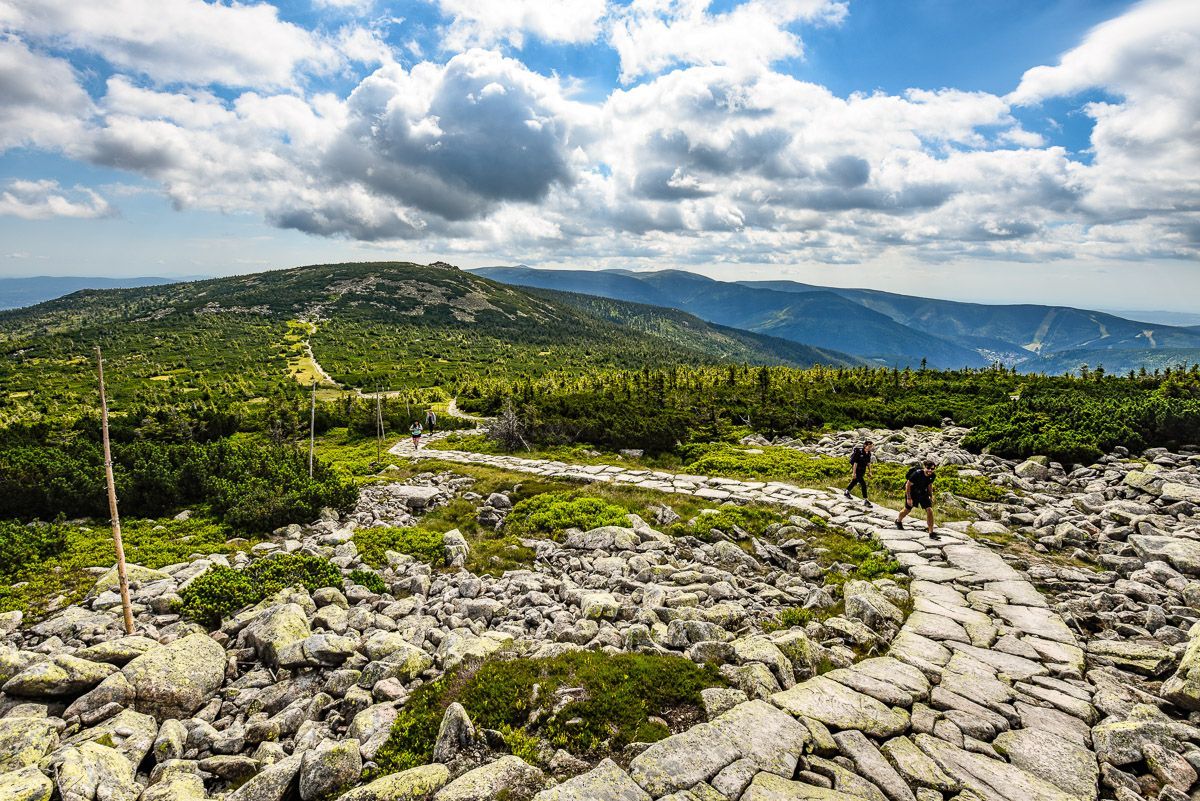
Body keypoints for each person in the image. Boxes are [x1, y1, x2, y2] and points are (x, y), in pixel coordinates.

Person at [896, 460, 936, 534]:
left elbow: (929, 485)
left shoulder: (932, 475)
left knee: (929, 510)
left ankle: (931, 532)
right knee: (907, 510)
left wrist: (930, 495)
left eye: (932, 469)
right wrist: (909, 498)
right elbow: (908, 485)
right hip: (912, 493)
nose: (930, 470)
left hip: (923, 493)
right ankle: (898, 521)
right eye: (928, 468)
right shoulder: (917, 474)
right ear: (924, 467)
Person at [844, 440, 874, 506]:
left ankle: (846, 491)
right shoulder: (859, 452)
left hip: (863, 470)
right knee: (863, 484)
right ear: (865, 445)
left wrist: (870, 471)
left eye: (871, 447)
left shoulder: (869, 453)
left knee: (854, 481)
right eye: (869, 446)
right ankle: (866, 500)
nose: (870, 448)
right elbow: (855, 463)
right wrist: (854, 473)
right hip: (857, 470)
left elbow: (868, 463)